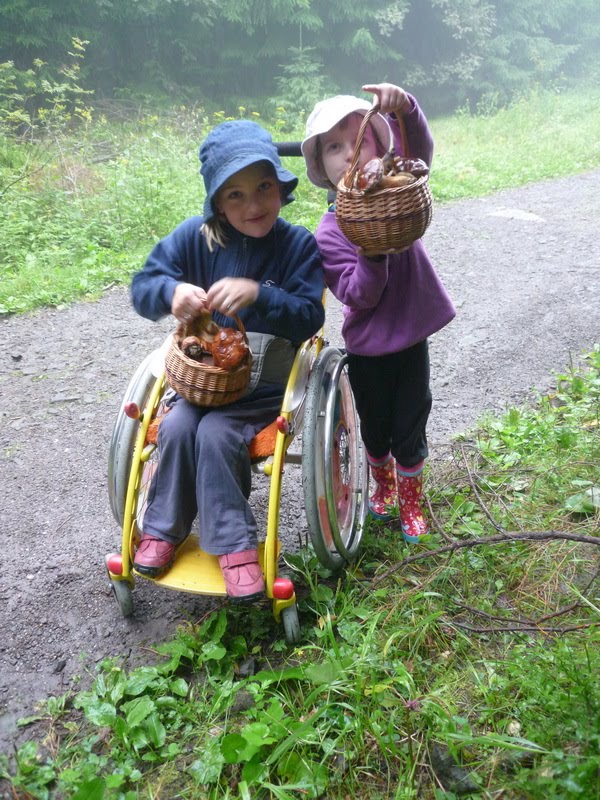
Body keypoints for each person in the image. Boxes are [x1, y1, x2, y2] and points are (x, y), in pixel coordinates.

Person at [130, 119, 325, 600]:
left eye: (263, 187)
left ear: (280, 186)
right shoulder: (194, 238)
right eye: (235, 194)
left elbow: (308, 318)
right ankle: (163, 528)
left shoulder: (296, 245)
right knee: (177, 427)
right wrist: (171, 292)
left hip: (262, 390)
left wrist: (260, 294)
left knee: (217, 435)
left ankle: (233, 544)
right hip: (201, 386)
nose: (253, 205)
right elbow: (143, 288)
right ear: (217, 201)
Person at [301, 82, 455, 543]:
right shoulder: (330, 232)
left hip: (411, 338)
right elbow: (358, 295)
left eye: (359, 141)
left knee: (411, 421)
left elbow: (420, 151)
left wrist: (404, 106)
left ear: (381, 149)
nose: (349, 153)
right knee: (375, 427)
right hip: (368, 349)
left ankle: (410, 501)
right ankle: (383, 487)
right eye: (334, 147)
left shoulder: (397, 193)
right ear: (322, 167)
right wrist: (371, 252)